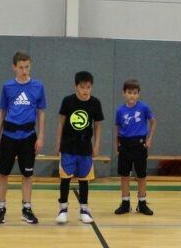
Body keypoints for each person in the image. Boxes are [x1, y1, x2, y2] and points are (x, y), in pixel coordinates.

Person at [0, 51, 46, 224]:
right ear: (14, 67)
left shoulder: (38, 86)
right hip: (9, 135)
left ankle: (26, 208)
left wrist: (41, 137)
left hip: (28, 136)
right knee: (3, 173)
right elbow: (2, 111)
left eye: (27, 67)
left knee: (27, 174)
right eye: (21, 67)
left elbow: (41, 112)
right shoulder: (7, 86)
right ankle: (0, 207)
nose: (24, 71)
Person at [54, 71, 103, 224]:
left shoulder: (95, 103)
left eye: (88, 87)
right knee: (65, 179)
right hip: (68, 146)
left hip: (85, 147)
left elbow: (97, 126)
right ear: (75, 86)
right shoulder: (68, 101)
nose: (85, 90)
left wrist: (96, 145)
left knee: (84, 180)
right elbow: (61, 122)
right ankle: (63, 209)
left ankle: (84, 210)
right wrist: (58, 143)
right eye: (82, 87)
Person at [113, 79, 156, 215]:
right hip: (125, 144)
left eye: (135, 93)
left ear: (139, 94)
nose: (132, 95)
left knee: (141, 175)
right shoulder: (120, 110)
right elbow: (118, 128)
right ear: (124, 93)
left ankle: (142, 203)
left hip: (139, 144)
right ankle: (125, 203)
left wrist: (149, 139)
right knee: (124, 175)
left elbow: (153, 122)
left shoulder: (144, 107)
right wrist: (117, 145)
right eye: (129, 92)